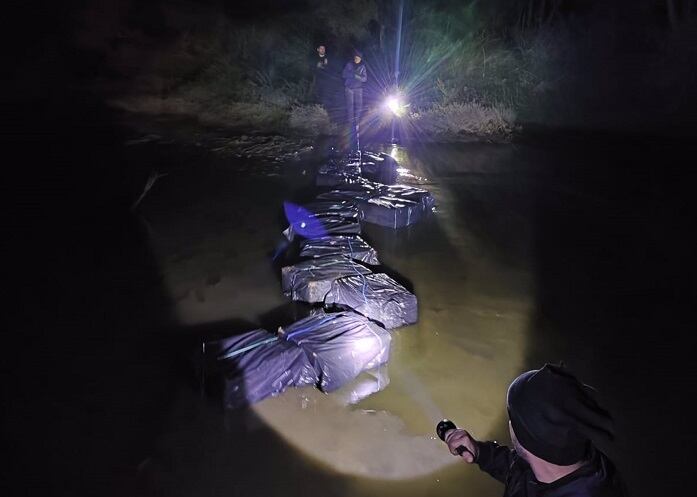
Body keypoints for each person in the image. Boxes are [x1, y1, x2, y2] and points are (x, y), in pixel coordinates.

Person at [443, 364, 627, 497]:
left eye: (512, 418)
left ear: (527, 439)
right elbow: (518, 469)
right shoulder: (562, 459)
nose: (509, 424)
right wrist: (480, 453)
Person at [342, 49, 367, 149]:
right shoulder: (349, 65)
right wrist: (351, 74)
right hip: (349, 88)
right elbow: (343, 75)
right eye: (356, 57)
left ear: (360, 59)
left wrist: (356, 76)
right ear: (354, 58)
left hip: (358, 89)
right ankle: (351, 123)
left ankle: (357, 122)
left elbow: (365, 79)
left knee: (359, 106)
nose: (357, 59)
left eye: (359, 58)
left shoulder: (362, 66)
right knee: (350, 106)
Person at [313, 44, 332, 110]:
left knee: (325, 94)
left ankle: (324, 109)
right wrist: (317, 66)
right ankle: (317, 107)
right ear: (318, 49)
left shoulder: (328, 58)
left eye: (323, 49)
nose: (322, 50)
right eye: (321, 48)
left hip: (326, 80)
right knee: (317, 93)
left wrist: (324, 66)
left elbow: (330, 69)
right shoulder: (314, 58)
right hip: (317, 79)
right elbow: (312, 68)